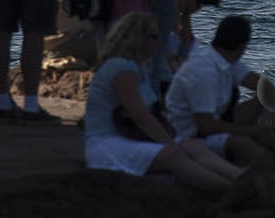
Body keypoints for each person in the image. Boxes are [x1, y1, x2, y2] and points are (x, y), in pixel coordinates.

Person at [84, 13, 246, 191]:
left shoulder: (140, 68)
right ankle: (229, 189)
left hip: (128, 136)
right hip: (108, 142)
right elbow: (140, 116)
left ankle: (241, 177)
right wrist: (169, 142)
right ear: (138, 38)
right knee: (174, 154)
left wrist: (174, 140)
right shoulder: (120, 68)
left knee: (193, 146)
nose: (159, 40)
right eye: (154, 36)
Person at [165, 15, 275, 171]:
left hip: (216, 120)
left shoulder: (225, 60)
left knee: (266, 106)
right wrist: (253, 131)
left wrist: (268, 117)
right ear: (243, 46)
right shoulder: (203, 71)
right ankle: (253, 169)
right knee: (249, 149)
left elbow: (268, 88)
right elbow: (206, 126)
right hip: (190, 134)